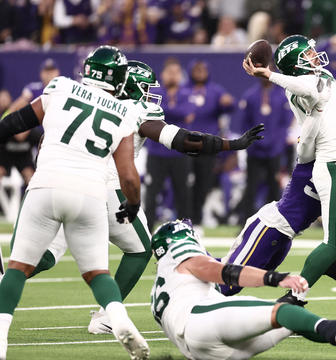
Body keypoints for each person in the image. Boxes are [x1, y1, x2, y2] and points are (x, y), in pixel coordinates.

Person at [23, 59, 265, 334]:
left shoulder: (86, 97)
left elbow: (41, 136)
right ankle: (106, 315)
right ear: (132, 85)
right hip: (105, 189)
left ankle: (7, 280)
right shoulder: (135, 109)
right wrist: (231, 144)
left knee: (48, 253)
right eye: (146, 87)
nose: (151, 93)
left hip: (64, 182)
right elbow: (183, 140)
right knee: (139, 248)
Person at [0, 45, 149, 359]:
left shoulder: (61, 87)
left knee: (16, 268)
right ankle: (119, 321)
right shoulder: (125, 112)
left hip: (45, 186)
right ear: (120, 79)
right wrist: (132, 205)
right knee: (98, 274)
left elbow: (17, 123)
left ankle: (0, 339)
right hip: (90, 194)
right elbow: (129, 176)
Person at [242, 34, 336, 305]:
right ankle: (293, 297)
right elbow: (308, 90)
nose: (313, 55)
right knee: (335, 241)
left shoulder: (324, 78)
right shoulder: (299, 86)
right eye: (307, 54)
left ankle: (333, 264)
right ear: (295, 64)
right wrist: (269, 74)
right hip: (332, 165)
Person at [150, 219, 336, 359]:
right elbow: (223, 273)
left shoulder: (161, 286)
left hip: (199, 351)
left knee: (291, 318)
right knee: (278, 311)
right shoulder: (180, 253)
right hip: (201, 321)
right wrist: (275, 278)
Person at [220, 114, 336, 297]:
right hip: (271, 225)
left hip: (286, 238)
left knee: (239, 278)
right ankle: (186, 252)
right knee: (228, 285)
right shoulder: (313, 151)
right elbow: (307, 134)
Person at [235, 73, 292, 223]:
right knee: (251, 186)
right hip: (255, 150)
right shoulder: (251, 95)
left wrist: (275, 144)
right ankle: (245, 222)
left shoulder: (281, 96)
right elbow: (245, 123)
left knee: (274, 186)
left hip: (274, 150)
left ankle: (273, 222)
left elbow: (284, 125)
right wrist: (253, 142)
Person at [144, 58, 193, 229]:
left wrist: (166, 109)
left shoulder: (187, 93)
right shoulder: (154, 92)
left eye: (176, 73)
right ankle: (147, 228)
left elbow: (187, 113)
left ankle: (184, 229)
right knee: (152, 193)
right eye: (169, 73)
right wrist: (173, 111)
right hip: (157, 152)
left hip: (179, 152)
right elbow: (152, 113)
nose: (173, 76)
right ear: (163, 74)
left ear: (181, 75)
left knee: (183, 194)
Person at [185, 60, 235, 228]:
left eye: (202, 69)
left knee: (203, 183)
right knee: (182, 183)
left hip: (206, 146)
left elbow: (230, 106)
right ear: (191, 71)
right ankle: (182, 217)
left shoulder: (215, 90)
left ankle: (196, 220)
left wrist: (228, 102)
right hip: (185, 144)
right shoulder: (184, 90)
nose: (200, 73)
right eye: (197, 69)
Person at [1, 59, 60, 189]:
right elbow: (16, 107)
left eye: (52, 71)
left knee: (39, 175)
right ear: (41, 73)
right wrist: (5, 123)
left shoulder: (63, 90)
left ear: (57, 72)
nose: (49, 74)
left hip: (50, 138)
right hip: (32, 135)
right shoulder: (33, 89)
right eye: (46, 71)